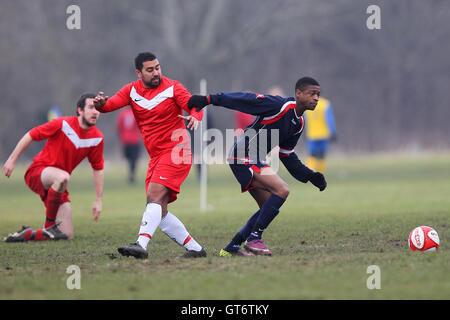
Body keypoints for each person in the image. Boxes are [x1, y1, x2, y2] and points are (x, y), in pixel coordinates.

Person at [187, 77, 327, 256]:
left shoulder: (298, 124)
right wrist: (208, 99)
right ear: (298, 94)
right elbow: (244, 99)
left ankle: (232, 248)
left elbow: (287, 156)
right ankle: (254, 239)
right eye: (312, 94)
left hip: (254, 158)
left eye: (318, 94)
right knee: (282, 190)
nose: (316, 98)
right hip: (243, 154)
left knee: (267, 206)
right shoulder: (279, 105)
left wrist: (310, 176)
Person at [93, 52, 207, 259]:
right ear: (139, 73)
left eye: (158, 67)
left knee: (154, 196)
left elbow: (194, 104)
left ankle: (141, 245)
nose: (156, 73)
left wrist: (195, 116)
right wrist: (100, 105)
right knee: (158, 211)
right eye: (150, 70)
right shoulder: (131, 91)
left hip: (176, 151)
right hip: (156, 156)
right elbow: (110, 105)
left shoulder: (173, 87)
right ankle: (196, 250)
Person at [3, 93, 104, 242]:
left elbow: (98, 168)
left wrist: (99, 199)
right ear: (80, 110)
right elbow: (31, 134)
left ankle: (27, 234)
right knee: (63, 177)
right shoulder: (62, 124)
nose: (95, 111)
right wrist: (12, 159)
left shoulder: (97, 137)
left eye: (98, 108)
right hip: (38, 173)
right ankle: (49, 226)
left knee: (66, 235)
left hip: (59, 185)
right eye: (91, 107)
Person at [303, 96, 337, 174]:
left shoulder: (308, 103)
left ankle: (309, 172)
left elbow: (305, 120)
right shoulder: (325, 104)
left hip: (311, 134)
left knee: (312, 155)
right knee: (322, 155)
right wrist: (333, 132)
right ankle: (320, 174)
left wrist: (304, 131)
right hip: (323, 134)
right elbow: (329, 119)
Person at [116, 106, 142, 184]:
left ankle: (131, 174)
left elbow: (119, 126)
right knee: (134, 159)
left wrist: (121, 136)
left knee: (129, 158)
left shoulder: (122, 113)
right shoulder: (136, 113)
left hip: (125, 139)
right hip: (134, 139)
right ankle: (132, 174)